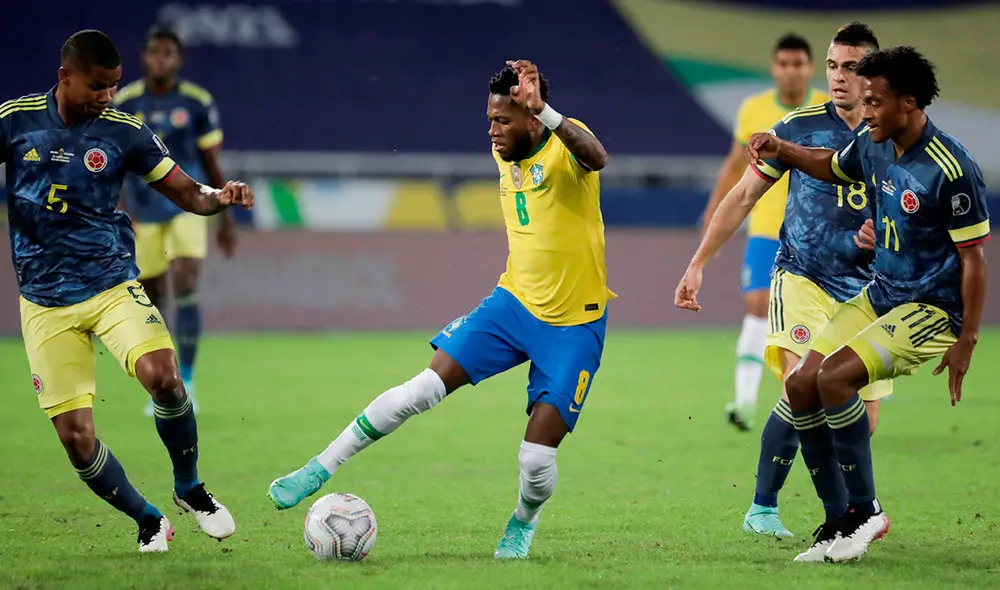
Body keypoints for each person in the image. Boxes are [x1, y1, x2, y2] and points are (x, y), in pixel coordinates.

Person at [267, 60, 612, 560]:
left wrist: (547, 112)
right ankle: (319, 467)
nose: (492, 131)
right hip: (513, 304)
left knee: (535, 462)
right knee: (422, 388)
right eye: (490, 119)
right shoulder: (507, 150)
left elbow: (598, 157)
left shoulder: (565, 146)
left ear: (533, 119)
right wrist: (517, 112)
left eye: (503, 121)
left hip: (574, 325)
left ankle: (524, 518)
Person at [3, 30, 253, 552]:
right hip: (44, 302)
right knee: (76, 439)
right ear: (64, 77)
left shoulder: (124, 131)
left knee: (163, 377)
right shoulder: (14, 120)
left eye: (114, 87)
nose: (108, 97)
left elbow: (187, 191)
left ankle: (190, 488)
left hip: (112, 283)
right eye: (98, 86)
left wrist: (220, 196)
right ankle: (148, 519)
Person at [745, 46, 988, 562]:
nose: (867, 110)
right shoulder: (873, 143)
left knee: (834, 378)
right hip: (882, 293)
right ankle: (837, 521)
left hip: (932, 309)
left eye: (876, 101)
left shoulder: (952, 167)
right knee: (801, 383)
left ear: (910, 101)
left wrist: (966, 340)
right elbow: (832, 167)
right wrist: (781, 148)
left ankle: (865, 511)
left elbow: (975, 261)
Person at [677, 23, 888, 540]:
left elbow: (916, 213)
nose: (839, 77)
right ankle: (823, 516)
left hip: (867, 291)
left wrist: (885, 236)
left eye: (852, 67)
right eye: (834, 66)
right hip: (803, 277)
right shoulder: (797, 127)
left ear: (875, 75)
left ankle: (824, 512)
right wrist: (699, 260)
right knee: (804, 389)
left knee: (863, 419)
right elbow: (744, 195)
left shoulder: (895, 137)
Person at [701, 33, 830, 431]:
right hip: (765, 230)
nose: (791, 71)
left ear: (809, 68)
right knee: (758, 305)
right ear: (774, 68)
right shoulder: (753, 109)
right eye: (784, 64)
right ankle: (743, 402)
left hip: (815, 233)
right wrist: (712, 217)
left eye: (799, 64)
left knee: (819, 321)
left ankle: (806, 399)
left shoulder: (828, 109)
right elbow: (733, 166)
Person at [114, 27, 235, 416]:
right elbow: (110, 162)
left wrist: (225, 217)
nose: (161, 60)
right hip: (143, 211)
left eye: (169, 54)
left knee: (185, 283)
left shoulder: (197, 103)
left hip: (188, 205)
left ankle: (189, 379)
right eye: (155, 54)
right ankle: (163, 382)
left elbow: (212, 162)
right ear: (144, 57)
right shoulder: (126, 101)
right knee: (152, 298)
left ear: (178, 59)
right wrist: (114, 213)